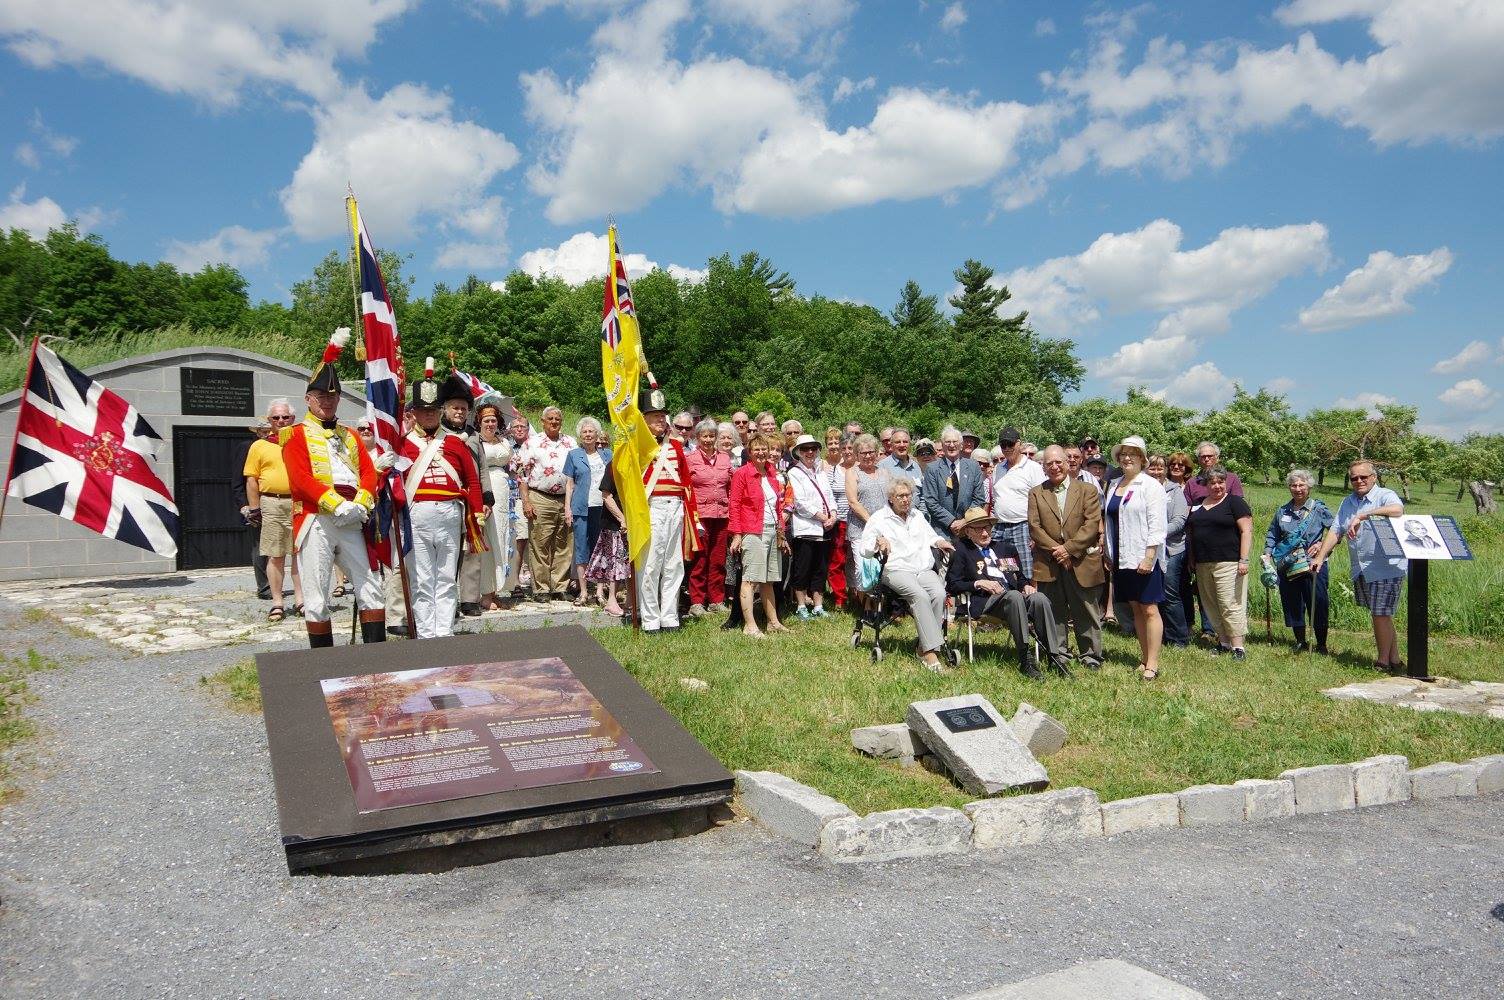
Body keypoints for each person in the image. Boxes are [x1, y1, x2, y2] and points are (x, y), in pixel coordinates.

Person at [281, 329, 384, 647]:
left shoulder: (351, 435)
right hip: (317, 518)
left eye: (332, 396)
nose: (327, 401)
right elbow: (300, 479)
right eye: (321, 396)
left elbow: (368, 473)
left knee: (371, 589)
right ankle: (325, 667)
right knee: (316, 597)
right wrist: (335, 504)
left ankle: (378, 663)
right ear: (308, 399)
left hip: (353, 517)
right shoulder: (294, 435)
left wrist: (360, 505)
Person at [399, 360, 486, 638]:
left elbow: (472, 480)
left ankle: (444, 632)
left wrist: (476, 512)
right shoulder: (402, 445)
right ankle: (426, 634)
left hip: (449, 512)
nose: (428, 416)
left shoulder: (455, 443)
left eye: (433, 411)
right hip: (417, 513)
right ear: (415, 412)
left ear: (440, 411)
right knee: (422, 578)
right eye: (423, 411)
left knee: (447, 578)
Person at [1313, 460, 1407, 670]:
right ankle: (1395, 659)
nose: (1359, 481)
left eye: (1363, 477)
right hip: (1362, 566)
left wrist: (1364, 515)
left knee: (1380, 613)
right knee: (1381, 612)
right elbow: (1336, 530)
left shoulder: (1385, 494)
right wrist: (1320, 556)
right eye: (1354, 478)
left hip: (1386, 565)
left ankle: (1382, 661)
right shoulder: (1348, 501)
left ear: (1373, 477)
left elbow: (1397, 510)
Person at [947, 506, 1060, 679]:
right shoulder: (962, 550)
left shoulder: (1004, 549)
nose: (985, 533)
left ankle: (1054, 656)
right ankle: (1025, 659)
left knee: (1039, 598)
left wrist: (1026, 586)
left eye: (987, 528)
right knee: (1014, 596)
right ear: (968, 532)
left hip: (1013, 597)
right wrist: (979, 583)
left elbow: (1019, 577)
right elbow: (953, 585)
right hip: (985, 602)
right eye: (979, 529)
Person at [858, 478, 955, 671]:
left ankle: (923, 646)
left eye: (908, 495)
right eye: (900, 496)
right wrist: (878, 542)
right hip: (895, 569)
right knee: (919, 595)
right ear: (891, 498)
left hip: (922, 569)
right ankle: (930, 653)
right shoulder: (879, 518)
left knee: (939, 593)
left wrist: (940, 542)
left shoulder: (917, 515)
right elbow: (864, 549)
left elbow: (930, 536)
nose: (905, 499)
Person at [1028, 445, 1107, 672]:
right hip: (1049, 561)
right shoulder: (1036, 492)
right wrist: (1059, 551)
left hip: (1081, 560)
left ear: (1069, 463)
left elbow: (1092, 524)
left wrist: (1069, 549)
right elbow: (1035, 527)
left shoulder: (1087, 490)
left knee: (1086, 609)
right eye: (1049, 464)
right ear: (1043, 467)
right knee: (1054, 611)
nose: (1054, 467)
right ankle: (1059, 653)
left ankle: (1091, 655)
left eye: (1058, 462)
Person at [1103, 436, 1168, 679]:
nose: (1127, 457)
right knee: (1135, 608)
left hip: (1143, 556)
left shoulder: (1151, 486)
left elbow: (1157, 525)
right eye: (1123, 454)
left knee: (1150, 608)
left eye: (1133, 453)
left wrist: (1150, 555)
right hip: (1122, 557)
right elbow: (1110, 520)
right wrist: (1109, 552)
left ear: (1142, 458)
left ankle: (1153, 663)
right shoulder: (1114, 484)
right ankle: (1143, 657)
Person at [636, 388, 700, 633]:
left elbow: (686, 483)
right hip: (651, 508)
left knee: (674, 565)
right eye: (655, 416)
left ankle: (670, 616)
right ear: (644, 419)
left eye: (663, 416)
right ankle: (650, 618)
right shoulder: (638, 446)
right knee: (650, 565)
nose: (661, 420)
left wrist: (692, 517)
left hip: (676, 508)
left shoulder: (675, 446)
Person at [244, 399, 304, 622]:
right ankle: (277, 602)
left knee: (299, 554)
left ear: (293, 418)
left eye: (285, 417)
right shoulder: (259, 446)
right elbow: (252, 479)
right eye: (276, 417)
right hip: (272, 502)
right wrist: (254, 508)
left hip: (299, 503)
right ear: (269, 420)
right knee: (275, 555)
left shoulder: (301, 441)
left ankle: (301, 600)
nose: (281, 421)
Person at [1186, 467, 1253, 658]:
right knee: (1211, 604)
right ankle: (1223, 642)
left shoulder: (1235, 502)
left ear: (1226, 483)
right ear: (1206, 485)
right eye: (1212, 482)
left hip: (1229, 562)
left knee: (1229, 603)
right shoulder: (1198, 504)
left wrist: (1244, 560)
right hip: (1202, 563)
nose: (1217, 486)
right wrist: (1192, 559)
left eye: (1220, 482)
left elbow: (1246, 531)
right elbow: (1191, 532)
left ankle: (1238, 647)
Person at [1265, 469, 1333, 654]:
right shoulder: (1282, 511)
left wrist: (1321, 544)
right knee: (1293, 602)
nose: (1298, 489)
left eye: (1301, 485)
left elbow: (1336, 531)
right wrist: (1267, 554)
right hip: (1288, 564)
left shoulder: (1319, 509)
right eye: (1294, 485)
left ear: (1309, 486)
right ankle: (1300, 641)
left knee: (1318, 602)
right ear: (1289, 487)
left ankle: (1321, 644)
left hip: (1313, 564)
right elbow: (1272, 534)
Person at [729, 433, 790, 637]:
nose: (762, 452)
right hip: (753, 531)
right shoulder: (742, 474)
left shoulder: (772, 474)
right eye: (757, 449)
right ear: (749, 452)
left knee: (769, 581)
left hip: (773, 531)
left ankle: (773, 622)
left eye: (765, 448)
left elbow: (778, 506)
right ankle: (750, 626)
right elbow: (734, 505)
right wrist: (737, 535)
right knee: (750, 579)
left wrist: (781, 533)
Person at [518, 406, 577, 600]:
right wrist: (526, 501)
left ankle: (560, 586)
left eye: (557, 419)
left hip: (566, 498)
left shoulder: (570, 442)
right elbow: (522, 474)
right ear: (542, 421)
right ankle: (541, 588)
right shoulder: (531, 443)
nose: (554, 422)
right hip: (540, 496)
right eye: (550, 419)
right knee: (540, 543)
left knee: (564, 543)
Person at [787, 434, 838, 619]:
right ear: (799, 452)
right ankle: (801, 605)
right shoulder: (794, 473)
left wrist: (833, 514)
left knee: (820, 568)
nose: (809, 452)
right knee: (802, 568)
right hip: (806, 529)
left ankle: (818, 606)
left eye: (813, 449)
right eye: (805, 449)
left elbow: (830, 496)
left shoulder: (821, 472)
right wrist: (823, 517)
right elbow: (799, 502)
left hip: (824, 529)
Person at [562, 416, 612, 607]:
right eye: (585, 432)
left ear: (597, 434)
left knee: (600, 549)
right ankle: (583, 592)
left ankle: (599, 591)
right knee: (582, 549)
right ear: (580, 435)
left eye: (591, 431)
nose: (588, 434)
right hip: (581, 508)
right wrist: (568, 509)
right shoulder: (574, 454)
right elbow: (570, 484)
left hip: (602, 508)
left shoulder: (607, 454)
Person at [686, 418, 733, 615]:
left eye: (711, 436)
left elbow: (730, 486)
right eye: (704, 436)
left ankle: (716, 599)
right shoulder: (690, 459)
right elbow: (686, 488)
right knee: (700, 558)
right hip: (700, 516)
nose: (708, 439)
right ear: (697, 438)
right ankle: (697, 601)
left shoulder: (724, 458)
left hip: (722, 515)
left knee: (718, 559)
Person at [473, 395, 514, 611]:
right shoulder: (474, 441)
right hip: (485, 489)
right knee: (487, 539)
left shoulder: (505, 442)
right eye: (486, 421)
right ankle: (485, 592)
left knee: (502, 538)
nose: (490, 424)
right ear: (479, 422)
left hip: (505, 492)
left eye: (493, 420)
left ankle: (497, 589)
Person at [990, 426, 1046, 581]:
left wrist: (1036, 533)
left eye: (1010, 444)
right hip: (1001, 526)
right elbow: (996, 498)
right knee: (1004, 571)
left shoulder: (1033, 468)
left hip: (1023, 526)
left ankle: (1029, 602)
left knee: (1027, 571)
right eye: (1003, 445)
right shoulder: (998, 469)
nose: (1007, 448)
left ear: (1019, 444)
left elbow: (1042, 502)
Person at [1146, 453, 1191, 648]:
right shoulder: (1143, 489)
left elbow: (1180, 521)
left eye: (1160, 468)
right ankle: (1161, 633)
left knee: (1170, 593)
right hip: (1149, 550)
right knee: (1154, 593)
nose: (1156, 471)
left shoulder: (1174, 491)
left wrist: (1157, 534)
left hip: (1171, 549)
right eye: (1152, 468)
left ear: (1165, 470)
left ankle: (1179, 638)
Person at [845, 433, 892, 604]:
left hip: (885, 529)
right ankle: (866, 608)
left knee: (882, 567)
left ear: (877, 453)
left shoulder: (885, 473)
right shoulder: (852, 473)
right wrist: (873, 523)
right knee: (863, 568)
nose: (868, 456)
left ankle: (880, 605)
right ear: (857, 455)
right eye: (863, 453)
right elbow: (853, 502)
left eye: (871, 452)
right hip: (860, 528)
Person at [921, 425, 986, 539]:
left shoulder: (973, 466)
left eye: (955, 441)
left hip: (969, 529)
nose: (951, 445)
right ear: (942, 445)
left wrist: (965, 521)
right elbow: (931, 501)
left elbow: (979, 498)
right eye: (948, 442)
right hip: (942, 530)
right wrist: (951, 522)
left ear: (961, 445)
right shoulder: (932, 469)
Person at [585, 456, 631, 616]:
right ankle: (611, 600)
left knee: (632, 562)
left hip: (636, 522)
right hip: (615, 523)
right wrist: (622, 519)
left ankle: (631, 600)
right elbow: (606, 495)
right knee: (616, 562)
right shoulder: (615, 464)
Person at [826, 431, 856, 609]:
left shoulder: (863, 469)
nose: (847, 451)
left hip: (860, 521)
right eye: (843, 448)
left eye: (850, 447)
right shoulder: (834, 471)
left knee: (859, 560)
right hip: (841, 522)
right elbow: (828, 496)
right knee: (837, 561)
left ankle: (860, 595)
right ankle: (839, 598)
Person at [505, 412, 532, 595]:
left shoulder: (535, 446)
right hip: (514, 498)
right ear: (511, 430)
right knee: (519, 539)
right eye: (516, 427)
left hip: (536, 496)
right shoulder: (506, 447)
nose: (520, 429)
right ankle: (514, 581)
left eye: (523, 426)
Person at [1182, 441, 1244, 506]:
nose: (1206, 459)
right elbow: (1187, 508)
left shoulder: (1232, 479)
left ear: (1217, 458)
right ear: (1198, 459)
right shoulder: (1191, 483)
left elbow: (1239, 505)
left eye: (1210, 456)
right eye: (1203, 456)